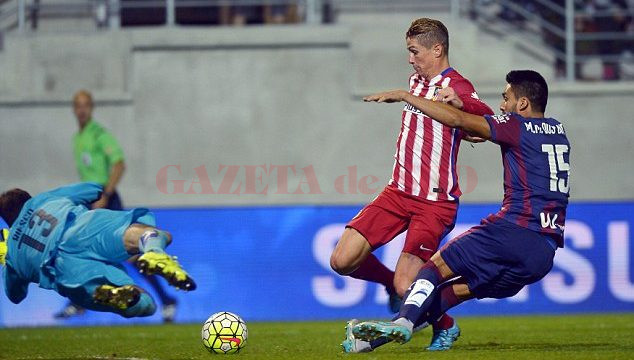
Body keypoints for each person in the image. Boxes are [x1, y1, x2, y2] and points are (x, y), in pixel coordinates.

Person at [353, 70, 569, 349]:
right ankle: (369, 344)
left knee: (434, 267)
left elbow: (457, 121)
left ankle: (403, 323)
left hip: (513, 230)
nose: (503, 106)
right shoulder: (559, 132)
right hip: (543, 252)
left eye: (506, 98)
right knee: (453, 292)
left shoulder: (517, 126)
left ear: (523, 103)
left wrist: (407, 96)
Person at [329, 18, 493, 353]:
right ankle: (389, 283)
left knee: (409, 286)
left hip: (434, 203)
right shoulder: (416, 82)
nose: (410, 58)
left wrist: (464, 108)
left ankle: (445, 326)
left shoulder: (456, 85)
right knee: (342, 260)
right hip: (397, 192)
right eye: (408, 51)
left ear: (437, 49)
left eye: (414, 51)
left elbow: (486, 119)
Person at [54, 90, 179, 322]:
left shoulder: (99, 135)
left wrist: (106, 194)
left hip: (105, 198)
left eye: (86, 106)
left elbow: (119, 164)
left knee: (115, 253)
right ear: (74, 109)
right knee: (97, 252)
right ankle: (165, 300)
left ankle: (165, 298)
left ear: (91, 108)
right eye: (78, 106)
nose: (82, 110)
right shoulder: (77, 138)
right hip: (92, 199)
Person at [0, 182, 196, 318]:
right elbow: (94, 189)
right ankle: (155, 252)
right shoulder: (44, 199)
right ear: (28, 200)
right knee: (152, 234)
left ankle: (109, 294)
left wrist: (5, 261)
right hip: (81, 229)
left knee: (146, 305)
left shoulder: (13, 256)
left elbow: (15, 295)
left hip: (64, 271)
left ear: (7, 221)